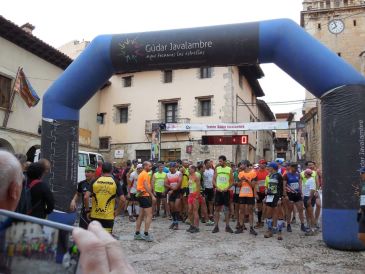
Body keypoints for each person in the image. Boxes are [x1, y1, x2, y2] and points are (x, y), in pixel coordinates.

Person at [85, 162, 124, 233]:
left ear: (102, 170)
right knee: (106, 239)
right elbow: (122, 199)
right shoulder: (115, 182)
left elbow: (86, 197)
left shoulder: (94, 180)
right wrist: (117, 211)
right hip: (108, 216)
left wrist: (87, 211)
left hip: (95, 215)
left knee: (95, 237)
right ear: (112, 170)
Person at [212, 155, 234, 233]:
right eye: (219, 161)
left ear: (224, 161)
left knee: (227, 209)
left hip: (226, 191)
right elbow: (214, 179)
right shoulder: (217, 169)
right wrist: (216, 187)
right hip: (218, 191)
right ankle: (216, 226)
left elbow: (232, 181)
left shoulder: (229, 169)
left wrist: (227, 188)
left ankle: (227, 226)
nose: (219, 162)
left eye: (221, 161)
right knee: (217, 209)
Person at [235, 160, 258, 236]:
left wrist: (247, 180)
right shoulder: (240, 173)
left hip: (250, 195)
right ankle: (241, 227)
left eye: (241, 164)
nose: (240, 166)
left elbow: (253, 186)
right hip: (242, 194)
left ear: (245, 165)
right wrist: (241, 181)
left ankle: (251, 228)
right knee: (241, 211)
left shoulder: (253, 173)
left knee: (250, 211)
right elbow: (238, 185)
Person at [134, 161, 155, 241]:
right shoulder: (145, 174)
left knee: (141, 215)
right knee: (149, 215)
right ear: (145, 166)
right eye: (149, 166)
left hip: (141, 195)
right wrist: (152, 195)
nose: (151, 167)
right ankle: (146, 234)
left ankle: (137, 233)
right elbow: (146, 186)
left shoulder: (142, 173)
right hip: (144, 196)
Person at [264, 162, 285, 240]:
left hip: (277, 196)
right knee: (268, 213)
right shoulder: (270, 175)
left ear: (272, 168)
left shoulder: (279, 176)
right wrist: (267, 192)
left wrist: (280, 198)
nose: (267, 168)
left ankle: (279, 232)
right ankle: (270, 230)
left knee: (279, 213)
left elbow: (281, 187)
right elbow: (271, 186)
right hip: (270, 196)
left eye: (269, 167)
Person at [283, 163, 306, 232]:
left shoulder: (298, 175)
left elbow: (300, 184)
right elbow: (284, 186)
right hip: (290, 194)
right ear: (291, 167)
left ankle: (302, 225)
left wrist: (301, 193)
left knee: (300, 210)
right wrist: (285, 195)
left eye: (296, 168)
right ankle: (288, 225)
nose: (295, 169)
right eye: (294, 168)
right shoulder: (286, 175)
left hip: (297, 194)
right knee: (289, 210)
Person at [301, 161, 321, 229]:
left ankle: (315, 221)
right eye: (309, 165)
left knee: (318, 205)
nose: (311, 166)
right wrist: (302, 193)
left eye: (312, 165)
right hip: (306, 193)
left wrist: (317, 191)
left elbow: (317, 182)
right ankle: (308, 223)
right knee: (308, 209)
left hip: (313, 192)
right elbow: (301, 183)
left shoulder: (315, 173)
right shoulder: (302, 173)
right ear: (307, 166)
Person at [165, 162, 182, 230]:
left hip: (177, 192)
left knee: (176, 207)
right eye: (170, 167)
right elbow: (165, 183)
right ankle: (174, 222)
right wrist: (171, 188)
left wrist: (173, 189)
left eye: (172, 167)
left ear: (175, 167)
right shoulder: (167, 174)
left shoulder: (179, 173)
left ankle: (177, 223)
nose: (170, 168)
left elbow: (179, 183)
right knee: (172, 207)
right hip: (170, 192)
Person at [187, 165, 202, 233]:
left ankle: (197, 227)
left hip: (195, 195)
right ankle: (192, 225)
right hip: (190, 195)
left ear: (193, 169)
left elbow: (199, 187)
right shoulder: (189, 176)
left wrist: (197, 196)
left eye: (189, 169)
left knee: (195, 211)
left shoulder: (197, 177)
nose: (188, 170)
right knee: (190, 210)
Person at [302, 169, 317, 235]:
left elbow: (312, 190)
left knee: (311, 214)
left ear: (307, 174)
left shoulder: (311, 180)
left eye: (305, 173)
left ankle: (313, 230)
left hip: (309, 197)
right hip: (306, 197)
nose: (304, 174)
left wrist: (310, 199)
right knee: (309, 214)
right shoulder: (309, 180)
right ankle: (311, 229)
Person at [255, 159, 269, 228]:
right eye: (262, 163)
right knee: (259, 208)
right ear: (259, 164)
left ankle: (263, 221)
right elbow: (255, 184)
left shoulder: (268, 172)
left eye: (264, 163)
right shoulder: (256, 173)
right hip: (259, 192)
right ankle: (259, 221)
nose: (263, 165)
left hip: (266, 193)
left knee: (266, 207)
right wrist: (256, 194)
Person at [357, 167, 365, 244]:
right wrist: (359, 211)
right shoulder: (363, 184)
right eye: (360, 173)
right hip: (363, 212)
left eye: (362, 173)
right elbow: (363, 199)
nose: (361, 175)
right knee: (361, 236)